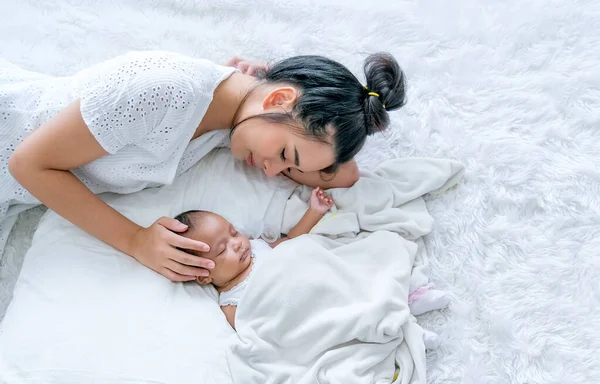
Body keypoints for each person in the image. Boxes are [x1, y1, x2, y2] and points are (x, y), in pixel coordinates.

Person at [0, 50, 406, 281]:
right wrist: (135, 241)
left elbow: (345, 175)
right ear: (278, 99)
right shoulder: (161, 92)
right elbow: (28, 164)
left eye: (285, 168)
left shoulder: (238, 114)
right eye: (284, 157)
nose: (270, 172)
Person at [175, 187, 334, 328]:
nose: (236, 243)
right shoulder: (232, 304)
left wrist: (315, 211)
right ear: (204, 276)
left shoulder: (257, 247)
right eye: (223, 250)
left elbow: (290, 240)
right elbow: (259, 332)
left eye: (234, 232)